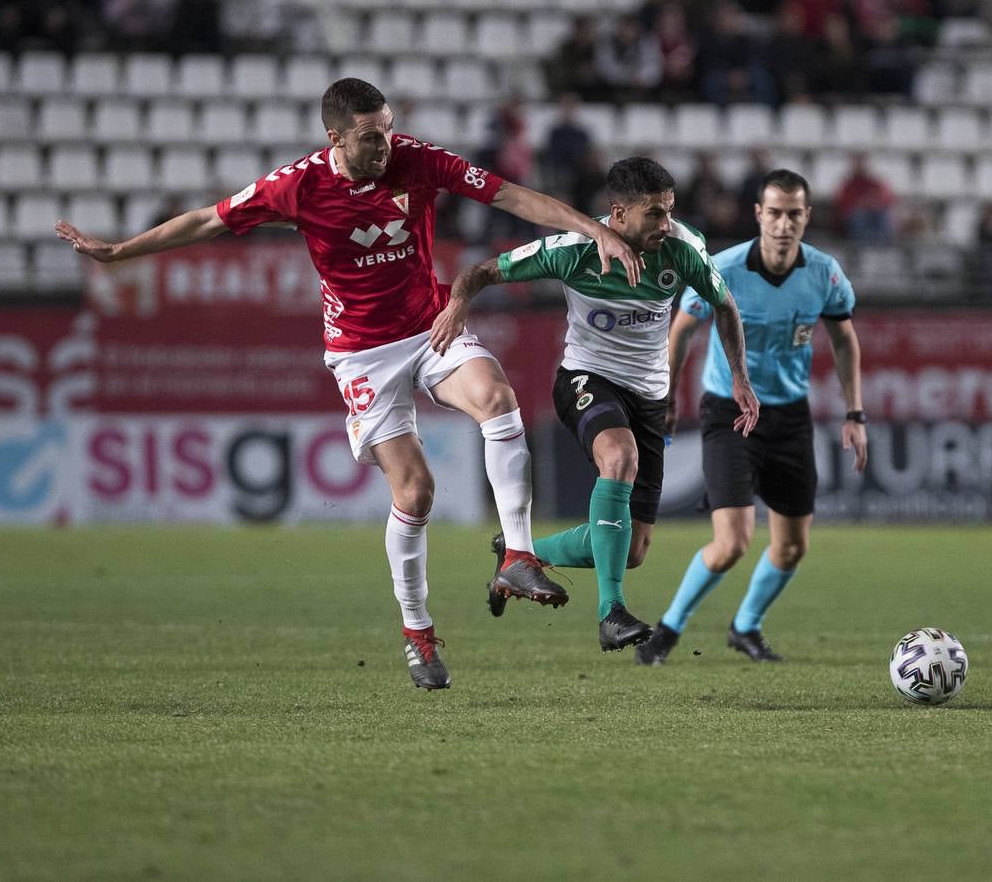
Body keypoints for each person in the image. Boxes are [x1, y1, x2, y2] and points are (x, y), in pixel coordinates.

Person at [55, 78, 641, 691]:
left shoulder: (417, 159)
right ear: (334, 138)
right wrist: (120, 251)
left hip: (429, 324)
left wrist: (592, 229)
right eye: (370, 136)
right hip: (363, 355)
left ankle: (518, 556)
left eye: (387, 128)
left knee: (498, 399)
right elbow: (210, 219)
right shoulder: (298, 186)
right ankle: (418, 634)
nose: (385, 144)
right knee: (416, 493)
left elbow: (512, 196)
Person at [431, 157, 759, 653]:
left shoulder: (682, 249)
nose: (665, 225)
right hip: (587, 379)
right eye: (654, 214)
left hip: (650, 397)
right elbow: (480, 272)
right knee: (619, 458)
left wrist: (739, 376)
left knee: (633, 550)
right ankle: (611, 613)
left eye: (669, 212)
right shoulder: (572, 252)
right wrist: (458, 302)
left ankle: (518, 555)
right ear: (618, 214)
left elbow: (725, 305)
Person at [635, 168, 867, 666]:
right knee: (733, 542)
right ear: (759, 214)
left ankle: (746, 627)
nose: (784, 224)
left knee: (791, 549)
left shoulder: (824, 273)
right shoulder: (724, 268)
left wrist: (855, 412)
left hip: (788, 417)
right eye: (775, 213)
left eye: (794, 214)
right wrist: (669, 397)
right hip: (729, 411)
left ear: (807, 217)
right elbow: (682, 330)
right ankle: (669, 630)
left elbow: (844, 339)